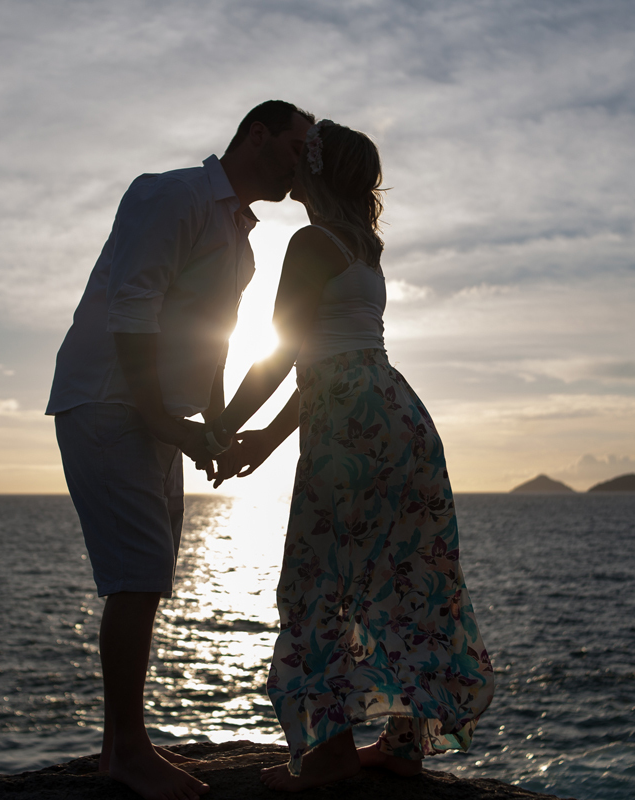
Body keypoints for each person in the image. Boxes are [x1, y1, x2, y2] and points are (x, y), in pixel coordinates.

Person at [209, 120, 497, 792]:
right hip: (398, 416)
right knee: (405, 579)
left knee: (315, 586)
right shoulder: (364, 249)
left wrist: (219, 426)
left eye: (304, 152)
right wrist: (266, 439)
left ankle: (331, 757)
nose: (295, 159)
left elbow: (284, 353)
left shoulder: (312, 243)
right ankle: (402, 747)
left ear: (318, 168)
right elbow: (332, 360)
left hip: (350, 427)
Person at [45, 100, 314, 800]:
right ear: (257, 134)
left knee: (150, 571)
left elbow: (211, 341)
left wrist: (213, 422)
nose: (303, 164)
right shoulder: (173, 195)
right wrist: (164, 419)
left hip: (153, 414)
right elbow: (133, 305)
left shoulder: (242, 243)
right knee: (137, 575)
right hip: (110, 401)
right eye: (296, 147)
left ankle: (122, 746)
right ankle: (128, 753)